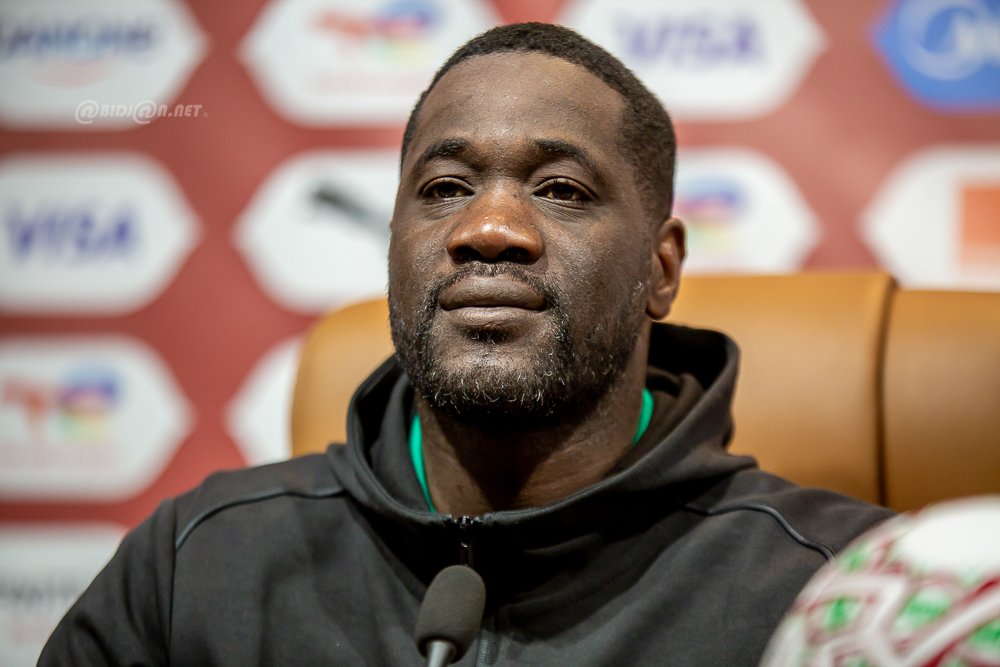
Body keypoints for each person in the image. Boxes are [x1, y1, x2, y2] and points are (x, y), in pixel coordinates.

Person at [40, 23, 893, 666]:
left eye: (561, 190)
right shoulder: (195, 565)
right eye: (446, 187)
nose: (488, 228)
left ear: (661, 269)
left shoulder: (845, 595)